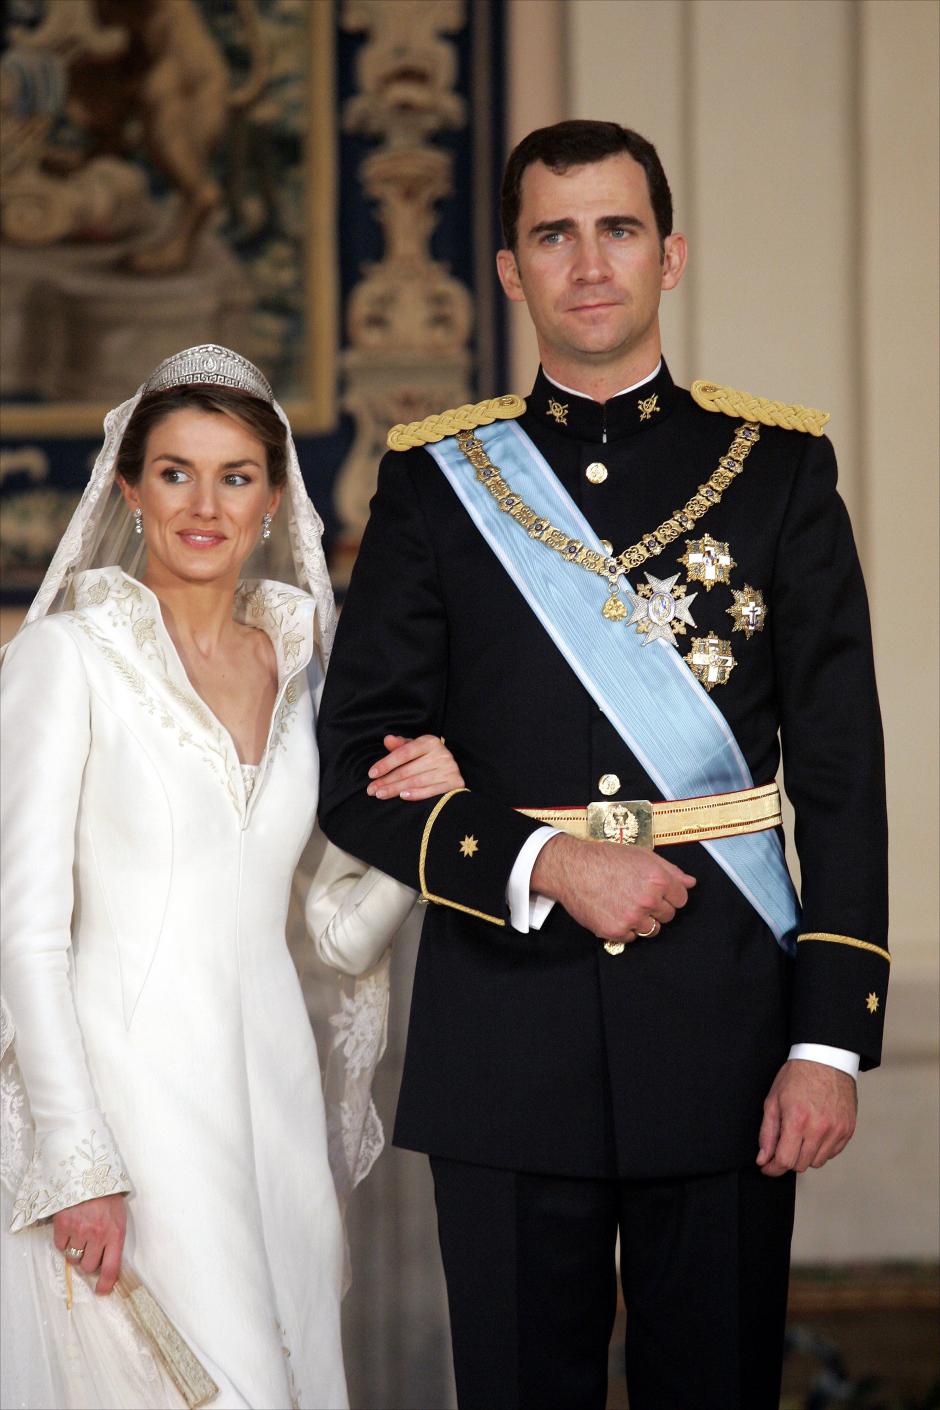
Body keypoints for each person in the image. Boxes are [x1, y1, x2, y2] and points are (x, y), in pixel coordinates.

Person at [317, 122, 889, 1410]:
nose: (589, 262)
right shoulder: (434, 480)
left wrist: (830, 1045)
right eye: (552, 234)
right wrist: (543, 859)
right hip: (505, 1035)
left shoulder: (780, 471)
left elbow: (844, 771)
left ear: (668, 255)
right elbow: (354, 764)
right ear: (511, 269)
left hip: (731, 1029)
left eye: (617, 228)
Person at [0, 344, 463, 1410]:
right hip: (128, 1098)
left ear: (271, 497)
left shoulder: (304, 680)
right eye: (175, 472)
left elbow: (339, 933)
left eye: (234, 476)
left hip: (274, 1101)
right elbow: (25, 931)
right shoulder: (64, 662)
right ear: (129, 487)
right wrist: (80, 1160)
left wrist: (425, 816)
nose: (203, 505)